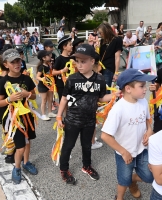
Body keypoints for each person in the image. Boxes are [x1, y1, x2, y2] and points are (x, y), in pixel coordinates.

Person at [56, 43, 119, 185]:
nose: (79, 65)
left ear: (92, 61)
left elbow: (101, 98)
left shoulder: (100, 79)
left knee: (86, 145)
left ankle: (86, 166)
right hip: (72, 120)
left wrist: (115, 95)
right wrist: (59, 116)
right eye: (77, 61)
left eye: (83, 61)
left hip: (90, 120)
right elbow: (64, 98)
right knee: (68, 145)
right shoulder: (72, 79)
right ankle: (64, 169)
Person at [101, 68, 156, 200]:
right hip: (125, 152)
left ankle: (132, 180)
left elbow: (147, 120)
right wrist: (123, 152)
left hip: (142, 149)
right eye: (142, 86)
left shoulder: (143, 101)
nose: (145, 89)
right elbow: (105, 135)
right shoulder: (118, 109)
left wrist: (149, 130)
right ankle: (119, 197)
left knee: (150, 176)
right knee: (123, 180)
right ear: (128, 89)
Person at [0, 49, 38, 184]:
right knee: (20, 146)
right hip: (14, 119)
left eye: (18, 61)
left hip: (27, 116)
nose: (16, 64)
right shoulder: (3, 81)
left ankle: (26, 162)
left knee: (28, 141)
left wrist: (27, 94)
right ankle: (17, 167)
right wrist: (10, 98)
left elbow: (33, 95)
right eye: (12, 62)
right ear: (6, 64)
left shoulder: (26, 78)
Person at [98, 22, 123, 88]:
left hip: (109, 68)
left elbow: (117, 57)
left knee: (106, 89)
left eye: (101, 33)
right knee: (101, 89)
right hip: (101, 68)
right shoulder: (102, 41)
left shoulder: (117, 40)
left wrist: (116, 72)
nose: (100, 35)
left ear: (106, 31)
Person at [36, 50, 57, 121]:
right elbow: (37, 76)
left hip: (49, 85)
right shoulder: (41, 67)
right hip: (42, 86)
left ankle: (50, 112)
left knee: (50, 99)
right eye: (48, 55)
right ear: (43, 58)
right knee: (44, 100)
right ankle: (43, 114)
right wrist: (42, 79)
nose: (50, 56)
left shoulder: (49, 64)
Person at [52, 36, 72, 102]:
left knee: (70, 101)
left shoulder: (72, 58)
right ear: (64, 47)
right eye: (70, 45)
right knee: (63, 101)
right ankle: (63, 112)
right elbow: (53, 72)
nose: (72, 46)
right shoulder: (59, 59)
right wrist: (62, 71)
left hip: (71, 84)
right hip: (61, 85)